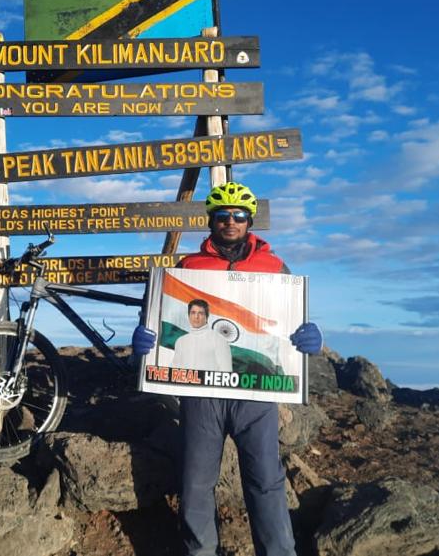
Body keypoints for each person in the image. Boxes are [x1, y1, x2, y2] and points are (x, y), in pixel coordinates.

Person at [132, 181, 323, 556]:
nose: (231, 222)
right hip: (202, 394)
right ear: (211, 221)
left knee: (266, 480)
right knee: (196, 482)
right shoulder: (188, 267)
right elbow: (158, 317)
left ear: (249, 221)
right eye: (223, 216)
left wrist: (310, 338)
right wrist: (144, 341)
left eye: (239, 216)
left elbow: (287, 321)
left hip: (255, 393)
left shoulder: (274, 265)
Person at [171, 299, 233, 372]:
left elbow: (226, 372)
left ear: (207, 316)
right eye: (193, 313)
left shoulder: (218, 340)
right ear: (189, 315)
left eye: (200, 313)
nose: (196, 317)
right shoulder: (181, 341)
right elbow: (175, 372)